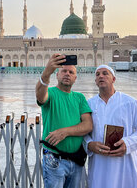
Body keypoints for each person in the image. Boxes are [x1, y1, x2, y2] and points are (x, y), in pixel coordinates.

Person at [84, 65, 137, 188]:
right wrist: (89, 144)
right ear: (95, 81)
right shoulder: (89, 104)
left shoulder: (129, 102)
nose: (101, 76)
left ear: (113, 79)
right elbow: (83, 133)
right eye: (98, 74)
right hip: (99, 165)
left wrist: (128, 143)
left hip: (125, 165)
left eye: (105, 73)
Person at [36, 54, 93, 188]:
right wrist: (46, 73)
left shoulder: (79, 98)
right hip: (54, 160)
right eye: (63, 71)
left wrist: (65, 132)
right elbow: (40, 96)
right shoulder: (51, 94)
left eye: (71, 72)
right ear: (57, 75)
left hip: (76, 161)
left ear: (75, 78)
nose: (67, 74)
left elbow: (88, 125)